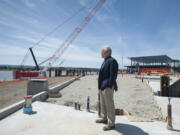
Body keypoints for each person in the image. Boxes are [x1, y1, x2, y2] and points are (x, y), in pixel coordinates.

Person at [96, 45, 119, 131]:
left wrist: (109, 85)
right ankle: (104, 118)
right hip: (102, 86)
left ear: (107, 52)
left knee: (109, 105)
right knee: (103, 104)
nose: (101, 53)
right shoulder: (105, 61)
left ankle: (111, 123)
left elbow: (113, 75)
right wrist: (100, 87)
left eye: (102, 51)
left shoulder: (112, 61)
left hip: (107, 87)